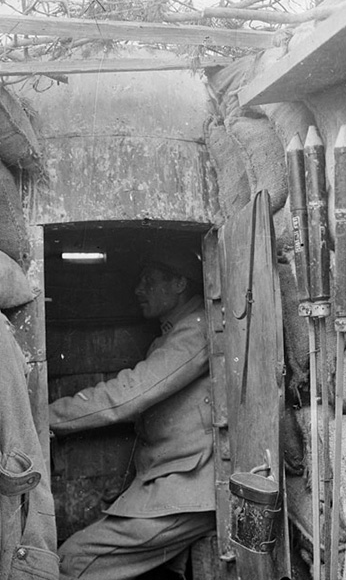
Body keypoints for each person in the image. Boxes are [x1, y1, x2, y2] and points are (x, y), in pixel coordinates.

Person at [50, 245, 215, 579]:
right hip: (173, 485)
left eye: (149, 280)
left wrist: (49, 417)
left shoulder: (196, 331)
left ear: (180, 284)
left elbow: (129, 395)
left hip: (188, 491)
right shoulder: (173, 333)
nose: (139, 289)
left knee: (71, 561)